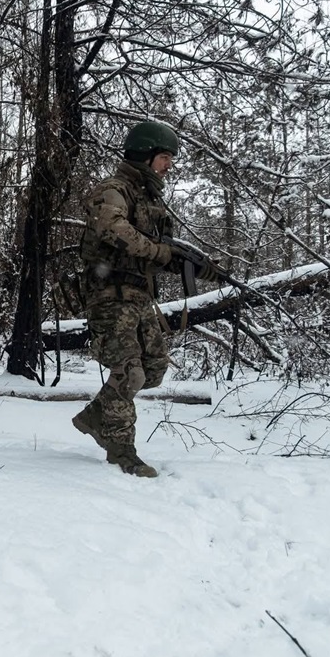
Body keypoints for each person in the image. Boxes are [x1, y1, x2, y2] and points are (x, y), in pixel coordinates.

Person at [72, 120, 217, 477]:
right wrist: (160, 253)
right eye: (164, 157)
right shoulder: (113, 189)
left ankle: (95, 415)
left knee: (153, 369)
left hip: (139, 297)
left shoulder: (151, 200)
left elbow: (159, 252)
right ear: (144, 154)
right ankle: (121, 450)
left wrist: (195, 267)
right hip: (109, 296)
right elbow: (112, 228)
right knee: (129, 372)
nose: (168, 165)